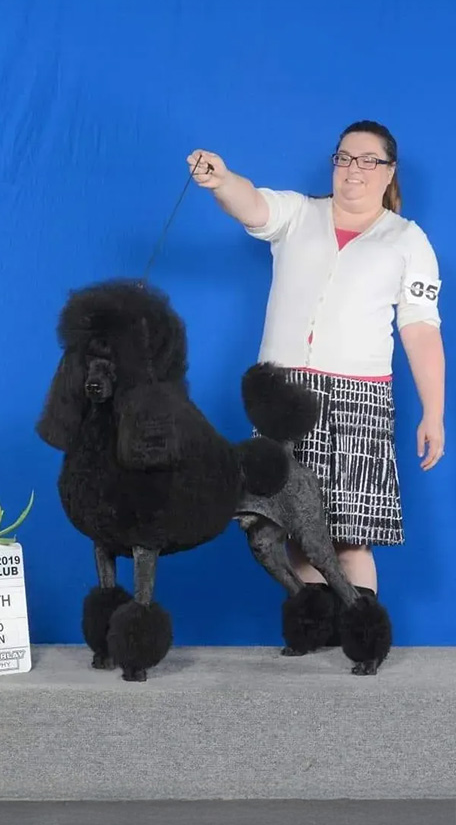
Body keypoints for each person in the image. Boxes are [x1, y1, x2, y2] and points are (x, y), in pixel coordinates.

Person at [187, 120, 445, 608]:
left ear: (390, 172)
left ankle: (360, 634)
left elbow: (421, 330)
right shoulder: (298, 213)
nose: (354, 169)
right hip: (283, 397)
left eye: (369, 160)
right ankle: (317, 640)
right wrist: (221, 180)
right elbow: (253, 204)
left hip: (359, 399)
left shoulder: (409, 241)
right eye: (345, 157)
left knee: (350, 533)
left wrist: (433, 413)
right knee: (295, 530)